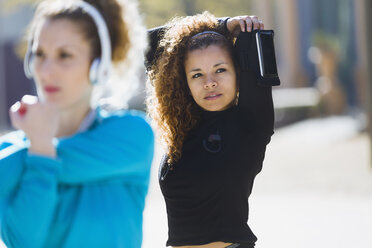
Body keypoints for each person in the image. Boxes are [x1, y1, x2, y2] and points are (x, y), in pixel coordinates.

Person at [0, 0, 154, 247]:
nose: (47, 71)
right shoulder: (12, 146)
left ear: (98, 65)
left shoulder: (132, 134)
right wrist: (40, 149)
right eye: (39, 54)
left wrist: (37, 156)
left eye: (65, 55)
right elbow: (23, 242)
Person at [146, 12, 279, 248]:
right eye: (197, 74)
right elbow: (139, 44)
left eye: (220, 70)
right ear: (183, 81)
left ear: (239, 72)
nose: (209, 82)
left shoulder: (252, 122)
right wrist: (221, 26)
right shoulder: (182, 126)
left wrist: (226, 29)